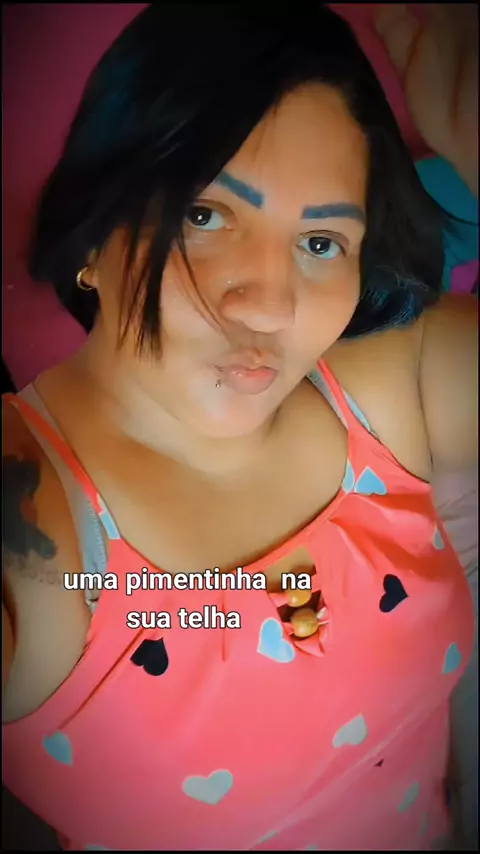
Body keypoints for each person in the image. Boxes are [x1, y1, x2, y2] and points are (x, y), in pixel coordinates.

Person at [2, 3, 478, 851]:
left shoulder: (389, 383)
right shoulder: (33, 518)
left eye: (321, 242)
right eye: (205, 215)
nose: (268, 305)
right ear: (95, 230)